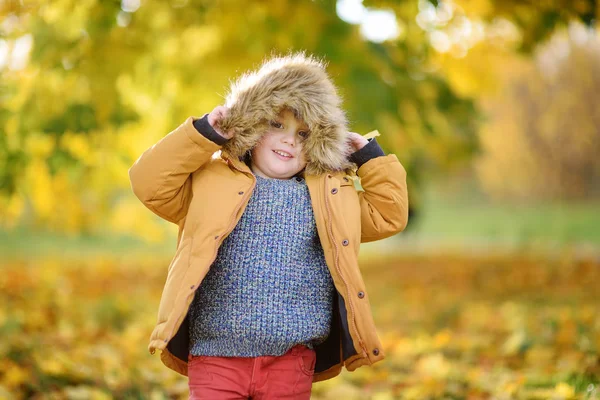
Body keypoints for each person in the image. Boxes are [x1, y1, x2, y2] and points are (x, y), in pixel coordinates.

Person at [128, 52, 409, 399]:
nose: (290, 140)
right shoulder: (212, 181)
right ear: (251, 124)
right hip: (215, 354)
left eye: (304, 133)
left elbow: (389, 214)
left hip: (290, 359)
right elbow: (148, 182)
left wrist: (369, 157)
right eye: (277, 125)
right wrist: (202, 135)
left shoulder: (329, 197)